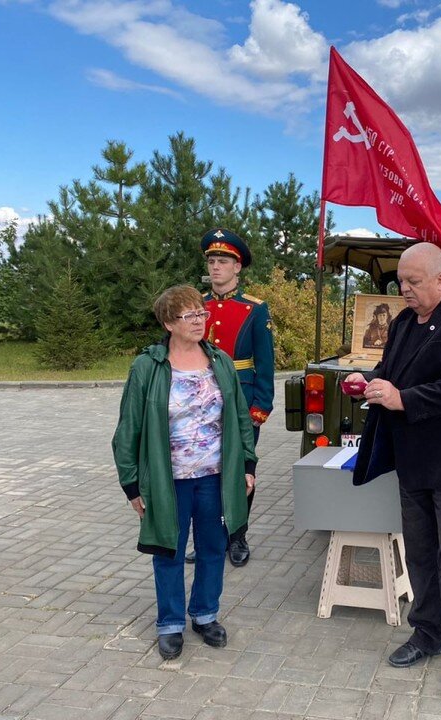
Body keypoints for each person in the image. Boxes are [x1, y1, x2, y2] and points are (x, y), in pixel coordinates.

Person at [345, 242, 441, 705]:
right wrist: (370, 382)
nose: (405, 288)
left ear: (440, 279)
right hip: (412, 460)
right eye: (401, 280)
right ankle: (429, 632)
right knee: (420, 556)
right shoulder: (401, 323)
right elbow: (390, 370)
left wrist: (402, 399)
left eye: (414, 281)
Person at [112, 285, 257, 660]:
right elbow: (128, 429)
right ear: (167, 323)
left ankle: (205, 615)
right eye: (189, 315)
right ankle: (170, 623)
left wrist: (247, 465)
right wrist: (131, 485)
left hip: (215, 477)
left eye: (201, 313)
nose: (199, 321)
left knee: (212, 548)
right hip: (167, 480)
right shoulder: (148, 366)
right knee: (169, 551)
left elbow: (240, 415)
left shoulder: (219, 361)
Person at [186, 228, 274, 567]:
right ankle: (209, 539)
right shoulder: (198, 308)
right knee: (202, 473)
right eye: (211, 261)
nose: (216, 267)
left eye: (223, 261)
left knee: (240, 472)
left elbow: (266, 363)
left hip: (241, 400)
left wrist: (261, 406)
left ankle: (237, 535)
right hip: (200, 405)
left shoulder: (254, 309)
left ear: (238, 268)